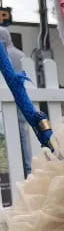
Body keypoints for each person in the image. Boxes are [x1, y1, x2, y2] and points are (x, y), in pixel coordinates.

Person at [0, 27, 31, 177]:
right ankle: (27, 167)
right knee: (22, 132)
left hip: (5, 98)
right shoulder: (21, 55)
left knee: (7, 134)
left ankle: (13, 167)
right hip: (21, 95)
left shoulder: (5, 54)